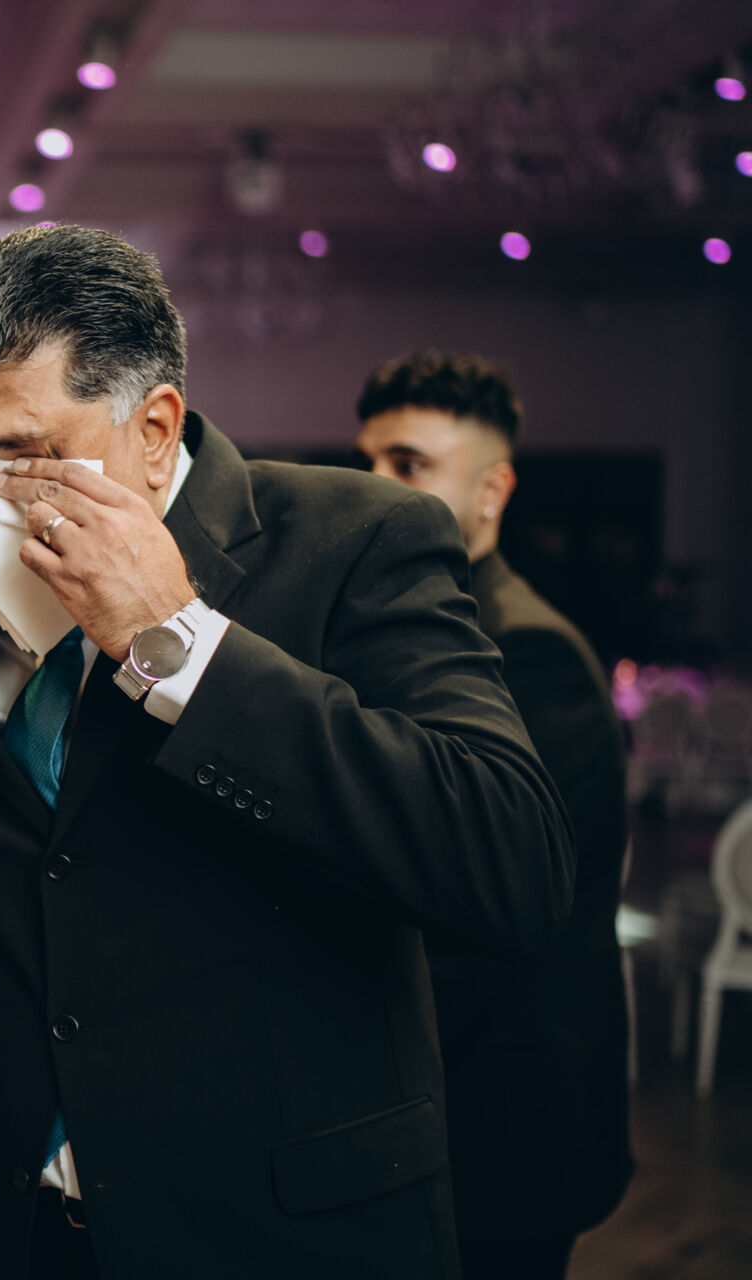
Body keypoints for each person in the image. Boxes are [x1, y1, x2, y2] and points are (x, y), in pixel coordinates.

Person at [0, 225, 572, 1279]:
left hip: (290, 1235)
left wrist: (180, 641)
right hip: (18, 1232)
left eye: (17, 454)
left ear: (153, 430)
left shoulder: (357, 539)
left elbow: (511, 860)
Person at [356, 350, 633, 1279]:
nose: (376, 488)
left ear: (492, 491)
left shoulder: (531, 652)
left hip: (507, 1116)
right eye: (369, 462)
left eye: (410, 464)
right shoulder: (408, 625)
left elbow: (505, 907)